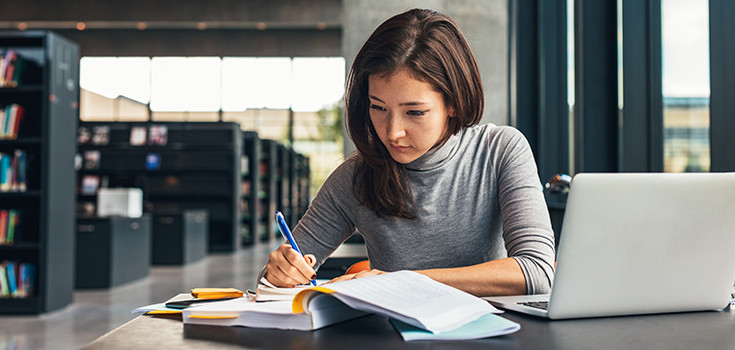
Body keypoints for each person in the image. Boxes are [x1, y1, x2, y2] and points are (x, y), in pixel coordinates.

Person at [263, 8, 555, 296]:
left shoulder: (499, 150)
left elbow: (536, 272)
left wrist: (397, 281)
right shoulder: (354, 176)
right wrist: (278, 273)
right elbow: (271, 284)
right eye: (378, 107)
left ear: (453, 103)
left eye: (414, 112)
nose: (392, 132)